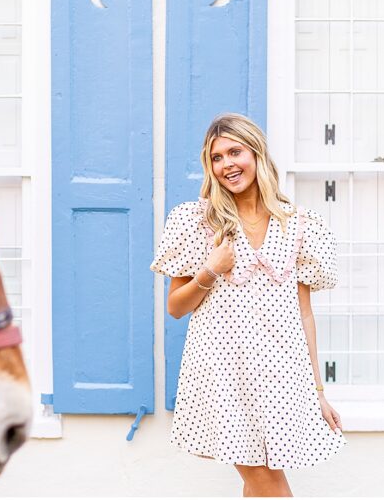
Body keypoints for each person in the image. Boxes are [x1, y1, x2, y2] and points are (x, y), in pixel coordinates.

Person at [150, 112, 346, 497]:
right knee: (267, 481)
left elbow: (304, 314)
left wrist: (318, 390)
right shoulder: (196, 221)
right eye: (216, 158)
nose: (226, 165)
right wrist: (210, 269)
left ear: (256, 153)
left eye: (233, 152)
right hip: (222, 372)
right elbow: (175, 306)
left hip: (280, 374)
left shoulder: (299, 225)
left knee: (259, 482)